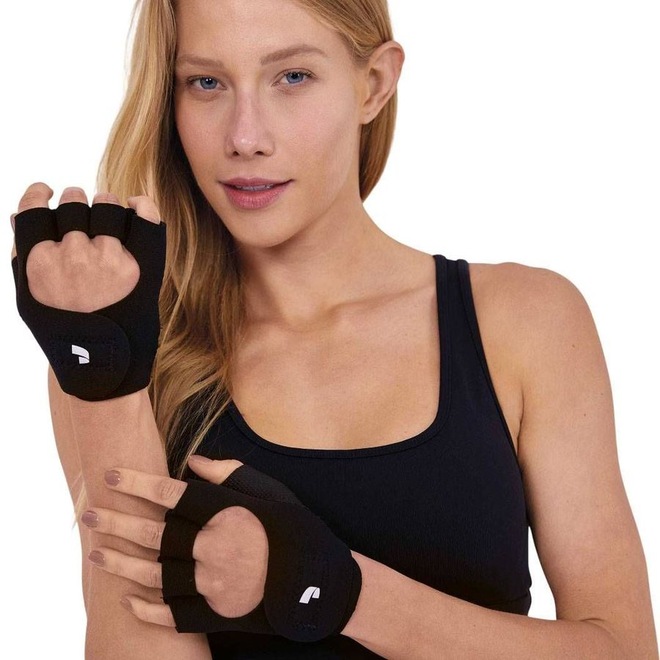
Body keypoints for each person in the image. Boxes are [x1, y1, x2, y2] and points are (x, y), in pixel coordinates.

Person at [8, 0, 658, 658]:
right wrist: (107, 387)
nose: (245, 137)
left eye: (292, 77)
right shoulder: (130, 351)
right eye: (206, 82)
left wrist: (334, 590)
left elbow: (623, 649)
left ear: (374, 83)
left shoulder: (525, 322)